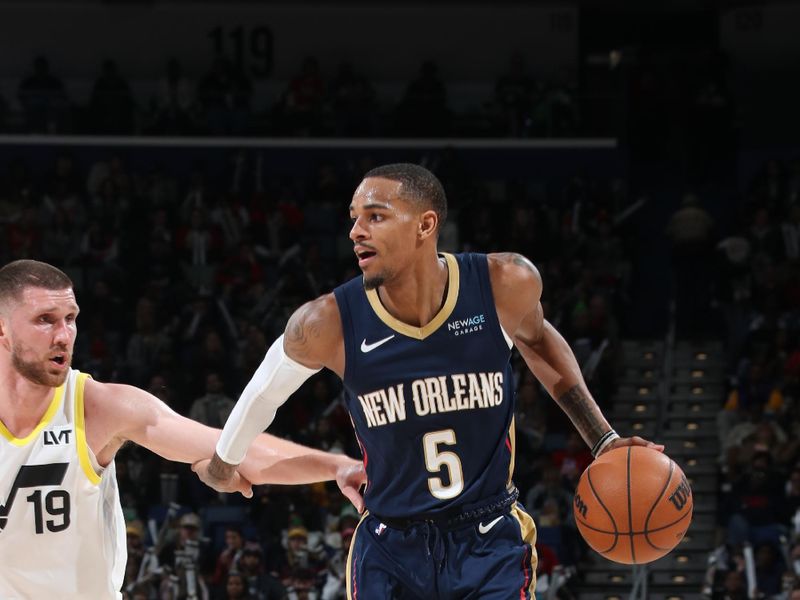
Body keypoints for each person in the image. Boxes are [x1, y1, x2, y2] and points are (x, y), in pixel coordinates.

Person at [195, 163, 663, 598]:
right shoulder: (327, 322)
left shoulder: (502, 283)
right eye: (354, 217)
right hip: (389, 542)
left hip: (489, 536)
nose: (356, 231)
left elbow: (538, 341)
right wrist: (223, 461)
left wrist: (603, 439)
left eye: (375, 216)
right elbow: (265, 390)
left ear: (425, 225)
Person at [0, 259, 365, 599]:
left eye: (71, 318)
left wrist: (336, 466)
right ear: (3, 329)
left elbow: (233, 449)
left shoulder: (97, 407)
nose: (64, 335)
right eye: (45, 320)